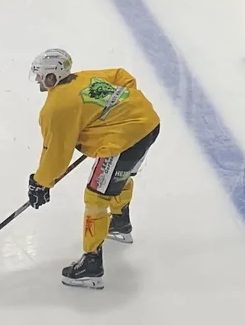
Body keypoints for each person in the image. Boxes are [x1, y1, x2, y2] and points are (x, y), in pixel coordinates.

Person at [27, 49, 162, 290]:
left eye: (41, 75)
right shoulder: (83, 78)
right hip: (148, 123)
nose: (37, 79)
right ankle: (120, 222)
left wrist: (40, 182)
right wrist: (122, 111)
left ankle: (91, 266)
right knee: (120, 176)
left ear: (53, 76)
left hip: (124, 140)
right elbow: (122, 76)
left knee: (96, 196)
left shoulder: (55, 108)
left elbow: (56, 154)